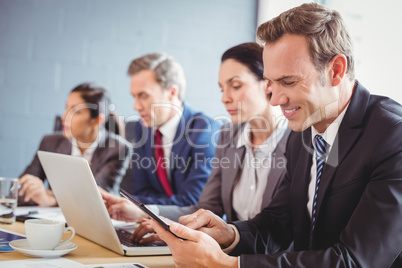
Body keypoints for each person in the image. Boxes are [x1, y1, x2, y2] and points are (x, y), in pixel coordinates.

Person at [148, 3, 402, 267]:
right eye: (271, 82)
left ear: (336, 70)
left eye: (288, 82)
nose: (275, 99)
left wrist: (227, 265)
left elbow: (356, 260)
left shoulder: (393, 136)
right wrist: (228, 233)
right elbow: (278, 223)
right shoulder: (304, 132)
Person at [101, 43, 291, 241]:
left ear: (268, 83)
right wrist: (147, 214)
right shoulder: (229, 136)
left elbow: (284, 230)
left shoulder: (297, 142)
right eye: (221, 90)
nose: (225, 99)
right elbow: (205, 208)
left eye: (235, 86)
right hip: (228, 252)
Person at [111, 53, 221, 206]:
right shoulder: (142, 128)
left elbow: (192, 202)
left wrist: (141, 208)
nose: (136, 106)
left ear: (172, 92)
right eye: (134, 97)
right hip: (154, 223)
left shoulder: (205, 131)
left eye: (143, 96)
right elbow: (141, 190)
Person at [19, 83, 132, 207]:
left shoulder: (118, 149)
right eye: (66, 108)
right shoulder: (49, 142)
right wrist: (36, 192)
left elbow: (95, 196)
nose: (63, 117)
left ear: (97, 121)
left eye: (75, 112)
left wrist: (52, 199)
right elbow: (21, 190)